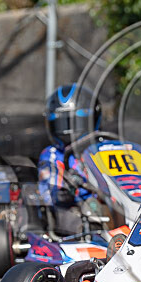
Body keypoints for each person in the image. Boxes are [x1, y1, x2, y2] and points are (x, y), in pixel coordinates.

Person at [37, 83, 101, 235]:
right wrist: (68, 187)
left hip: (113, 204)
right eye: (62, 123)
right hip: (75, 210)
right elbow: (53, 194)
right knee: (90, 206)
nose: (69, 130)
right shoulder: (52, 154)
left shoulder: (104, 150)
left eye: (76, 122)